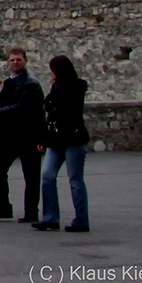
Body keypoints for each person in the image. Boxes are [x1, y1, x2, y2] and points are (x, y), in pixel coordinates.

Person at [0, 45, 44, 222]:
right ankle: (3, 207)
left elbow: (21, 108)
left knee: (31, 175)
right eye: (12, 60)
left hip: (27, 135)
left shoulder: (31, 84)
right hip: (10, 135)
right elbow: (4, 103)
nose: (15, 63)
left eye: (18, 59)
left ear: (25, 60)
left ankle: (31, 212)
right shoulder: (10, 82)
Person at [32, 55, 91, 233]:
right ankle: (50, 217)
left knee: (75, 179)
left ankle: (81, 220)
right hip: (56, 139)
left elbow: (62, 113)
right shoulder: (57, 87)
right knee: (47, 175)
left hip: (73, 139)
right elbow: (51, 117)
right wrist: (44, 138)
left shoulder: (74, 87)